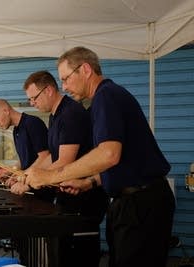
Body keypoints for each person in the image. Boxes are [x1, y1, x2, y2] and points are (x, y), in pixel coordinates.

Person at [25, 46, 175, 267]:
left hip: (142, 203)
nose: (64, 86)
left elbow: (108, 154)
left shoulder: (106, 96)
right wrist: (89, 182)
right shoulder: (104, 99)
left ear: (85, 69)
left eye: (66, 79)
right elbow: (126, 159)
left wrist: (50, 177)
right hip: (132, 201)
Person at [23, 70, 109, 267]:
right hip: (69, 196)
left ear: (49, 90)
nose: (32, 103)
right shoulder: (55, 116)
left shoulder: (70, 114)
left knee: (79, 258)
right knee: (62, 255)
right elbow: (52, 155)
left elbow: (64, 162)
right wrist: (26, 174)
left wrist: (34, 181)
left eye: (34, 98)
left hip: (85, 198)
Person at [0, 99, 50, 195]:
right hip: (26, 188)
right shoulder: (16, 130)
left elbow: (45, 156)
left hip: (41, 188)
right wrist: (10, 173)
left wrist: (23, 177)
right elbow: (24, 159)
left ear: (6, 111)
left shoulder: (32, 123)